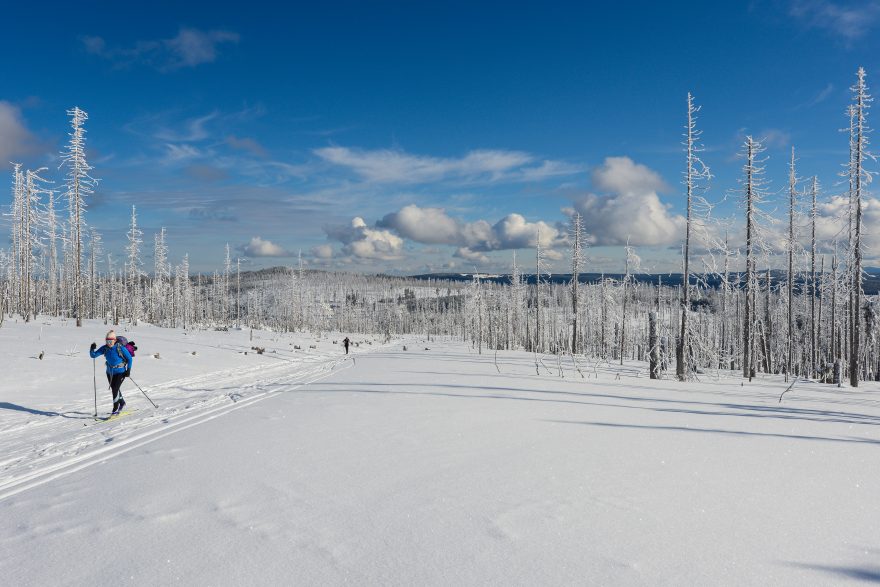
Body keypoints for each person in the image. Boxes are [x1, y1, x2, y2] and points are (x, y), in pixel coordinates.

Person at [89, 330, 133, 415]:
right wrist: (92, 348)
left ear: (115, 340)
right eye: (107, 341)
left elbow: (130, 358)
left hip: (121, 372)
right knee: (115, 389)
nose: (109, 343)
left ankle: (115, 408)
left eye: (111, 341)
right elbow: (93, 355)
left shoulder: (120, 348)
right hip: (109, 372)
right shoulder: (105, 348)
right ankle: (122, 403)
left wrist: (128, 370)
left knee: (115, 389)